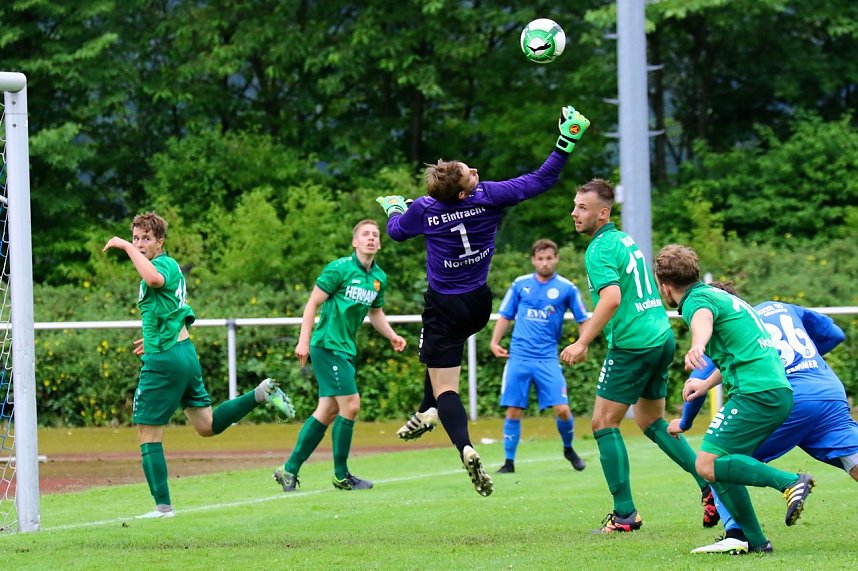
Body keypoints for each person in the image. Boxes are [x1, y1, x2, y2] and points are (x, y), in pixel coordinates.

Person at [375, 105, 591, 496]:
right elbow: (540, 180)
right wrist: (566, 141)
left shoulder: (425, 208)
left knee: (447, 388)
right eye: (469, 171)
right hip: (478, 304)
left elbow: (395, 232)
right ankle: (426, 412)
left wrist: (395, 207)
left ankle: (465, 446)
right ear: (464, 190)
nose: (475, 170)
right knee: (438, 358)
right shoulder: (487, 195)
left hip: (443, 306)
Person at [103, 211, 294, 519]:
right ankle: (260, 393)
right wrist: (149, 340)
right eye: (135, 238)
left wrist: (124, 246)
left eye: (145, 239)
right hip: (182, 353)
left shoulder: (160, 266)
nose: (139, 244)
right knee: (206, 425)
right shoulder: (166, 265)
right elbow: (167, 310)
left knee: (147, 433)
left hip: (165, 359)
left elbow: (153, 279)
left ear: (160, 242)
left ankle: (163, 508)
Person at [558, 180, 716, 533]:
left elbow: (611, 298)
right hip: (660, 336)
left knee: (603, 423)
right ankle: (710, 486)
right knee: (651, 422)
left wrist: (583, 341)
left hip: (633, 345)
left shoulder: (599, 249)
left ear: (602, 212)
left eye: (582, 208)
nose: (574, 213)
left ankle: (625, 514)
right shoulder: (624, 239)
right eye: (574, 206)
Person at [667, 282, 858, 555]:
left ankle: (737, 533)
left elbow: (694, 386)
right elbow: (835, 334)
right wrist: (808, 360)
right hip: (828, 390)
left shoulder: (732, 328)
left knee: (718, 457)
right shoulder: (781, 307)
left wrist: (684, 423)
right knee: (853, 457)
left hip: (786, 396)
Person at [653, 244, 815, 554]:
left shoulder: (695, 301)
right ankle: (755, 541)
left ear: (665, 286)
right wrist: (706, 384)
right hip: (773, 390)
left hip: (755, 394)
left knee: (706, 463)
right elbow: (739, 352)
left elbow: (702, 320)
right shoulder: (723, 296)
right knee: (720, 463)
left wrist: (697, 345)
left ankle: (791, 482)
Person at [273, 219, 406, 492]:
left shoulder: (378, 278)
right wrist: (303, 341)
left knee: (328, 410)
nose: (371, 238)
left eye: (375, 235)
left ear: (379, 244)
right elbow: (312, 303)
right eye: (365, 235)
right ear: (355, 242)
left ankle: (289, 471)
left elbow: (375, 312)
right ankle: (341, 475)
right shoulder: (339, 269)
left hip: (345, 349)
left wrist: (392, 335)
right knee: (352, 404)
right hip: (327, 345)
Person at [489, 238, 590, 474]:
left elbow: (583, 320)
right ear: (534, 260)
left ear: (556, 259)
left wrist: (581, 346)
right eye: (540, 258)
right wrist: (495, 341)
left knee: (562, 409)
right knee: (513, 409)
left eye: (549, 258)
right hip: (519, 357)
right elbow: (505, 315)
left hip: (547, 359)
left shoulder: (567, 288)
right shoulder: (520, 285)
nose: (545, 263)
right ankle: (509, 462)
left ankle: (568, 448)